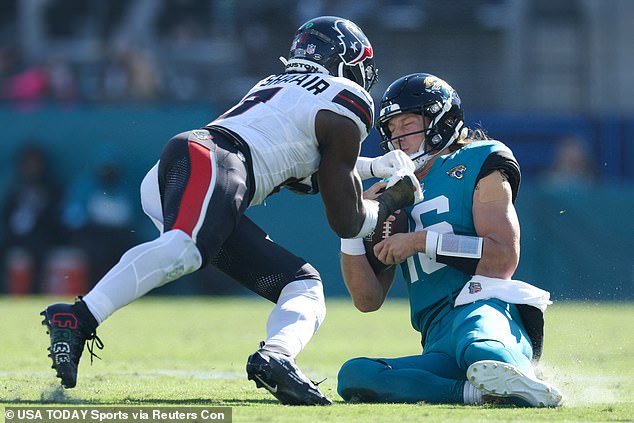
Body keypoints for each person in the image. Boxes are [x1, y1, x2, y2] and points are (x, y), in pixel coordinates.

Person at [40, 16, 420, 406]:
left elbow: (308, 168)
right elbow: (345, 218)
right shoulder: (345, 101)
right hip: (216, 163)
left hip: (193, 166)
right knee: (185, 249)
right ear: (346, 60)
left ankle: (277, 358)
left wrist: (375, 167)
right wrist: (390, 203)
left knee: (303, 286)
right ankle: (78, 317)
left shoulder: (278, 86)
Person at [336, 73, 563, 407]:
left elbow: (502, 258)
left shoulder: (479, 160)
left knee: (480, 347)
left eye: (408, 124)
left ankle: (515, 376)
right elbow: (367, 299)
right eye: (391, 130)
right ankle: (479, 393)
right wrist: (353, 225)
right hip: (437, 336)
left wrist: (419, 242)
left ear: (440, 121)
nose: (398, 138)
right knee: (355, 376)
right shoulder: (390, 191)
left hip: (486, 308)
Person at [1, 143, 63, 294]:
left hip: (39, 236)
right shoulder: (16, 188)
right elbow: (7, 214)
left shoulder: (50, 189)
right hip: (14, 235)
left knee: (40, 252)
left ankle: (35, 293)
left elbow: (54, 218)